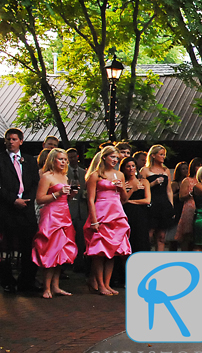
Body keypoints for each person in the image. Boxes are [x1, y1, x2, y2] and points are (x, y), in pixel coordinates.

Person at [84, 146, 131, 296]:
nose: (115, 160)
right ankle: (100, 284)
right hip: (101, 212)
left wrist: (121, 188)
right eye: (112, 157)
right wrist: (94, 220)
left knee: (113, 251)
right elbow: (91, 199)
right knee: (100, 251)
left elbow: (124, 198)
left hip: (116, 212)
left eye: (117, 158)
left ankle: (107, 283)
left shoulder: (120, 175)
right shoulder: (96, 175)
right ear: (104, 157)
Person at [32, 148, 77, 298]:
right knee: (50, 250)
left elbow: (65, 199)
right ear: (53, 160)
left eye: (65, 159)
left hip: (64, 214)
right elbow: (39, 199)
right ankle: (46, 287)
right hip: (51, 215)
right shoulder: (47, 177)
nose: (64, 162)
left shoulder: (65, 177)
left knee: (61, 251)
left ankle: (56, 286)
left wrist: (70, 195)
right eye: (60, 159)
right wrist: (57, 193)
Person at [0, 127, 41, 293]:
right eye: (8, 139)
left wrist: (26, 200)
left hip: (26, 209)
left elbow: (34, 182)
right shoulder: (1, 159)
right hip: (7, 209)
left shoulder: (30, 160)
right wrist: (13, 200)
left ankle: (27, 281)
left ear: (21, 141)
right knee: (7, 249)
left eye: (14, 139)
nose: (11, 142)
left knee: (28, 246)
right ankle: (7, 281)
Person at [139, 145, 174, 251]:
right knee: (149, 234)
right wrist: (153, 183)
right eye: (161, 154)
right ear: (153, 155)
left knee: (162, 236)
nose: (163, 157)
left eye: (164, 155)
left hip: (163, 204)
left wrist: (171, 205)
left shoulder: (166, 170)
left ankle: (160, 260)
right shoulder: (145, 170)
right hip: (151, 204)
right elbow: (140, 188)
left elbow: (169, 189)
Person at [121, 157, 152, 253]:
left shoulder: (144, 181)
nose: (131, 168)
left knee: (141, 240)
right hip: (126, 214)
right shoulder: (122, 183)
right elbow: (122, 201)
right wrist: (132, 190)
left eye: (133, 166)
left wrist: (131, 201)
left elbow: (147, 200)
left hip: (140, 214)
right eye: (128, 166)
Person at [174, 158, 202, 250]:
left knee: (198, 236)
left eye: (201, 166)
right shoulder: (187, 180)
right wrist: (192, 193)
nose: (199, 168)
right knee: (187, 235)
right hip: (189, 207)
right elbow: (181, 197)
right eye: (197, 166)